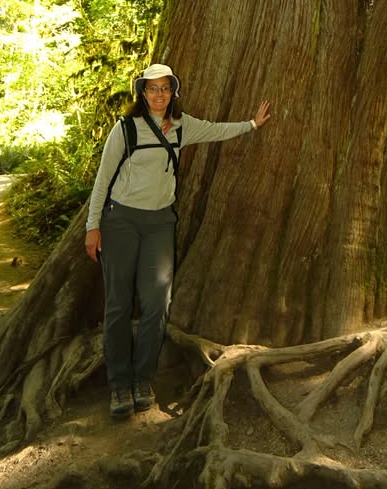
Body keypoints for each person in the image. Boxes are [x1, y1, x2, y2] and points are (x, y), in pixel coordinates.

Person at [84, 62, 271, 420]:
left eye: (165, 88)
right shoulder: (125, 129)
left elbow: (216, 131)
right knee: (119, 305)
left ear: (173, 92)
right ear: (142, 92)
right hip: (120, 221)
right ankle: (119, 384)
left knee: (157, 303)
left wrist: (251, 125)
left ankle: (142, 379)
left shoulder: (182, 127)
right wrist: (93, 227)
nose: (159, 94)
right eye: (152, 88)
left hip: (159, 223)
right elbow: (102, 180)